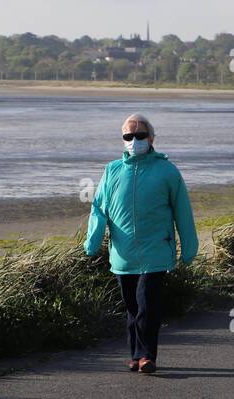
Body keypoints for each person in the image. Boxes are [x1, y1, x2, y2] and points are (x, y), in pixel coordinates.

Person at [85, 113, 198, 374]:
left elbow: (183, 211)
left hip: (156, 251)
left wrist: (189, 249)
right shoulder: (112, 170)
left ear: (152, 138)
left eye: (140, 136)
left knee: (147, 304)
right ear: (122, 139)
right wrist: (92, 242)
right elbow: (99, 209)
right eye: (128, 136)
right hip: (123, 254)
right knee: (133, 307)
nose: (134, 140)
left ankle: (147, 356)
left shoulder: (167, 171)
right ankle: (136, 355)